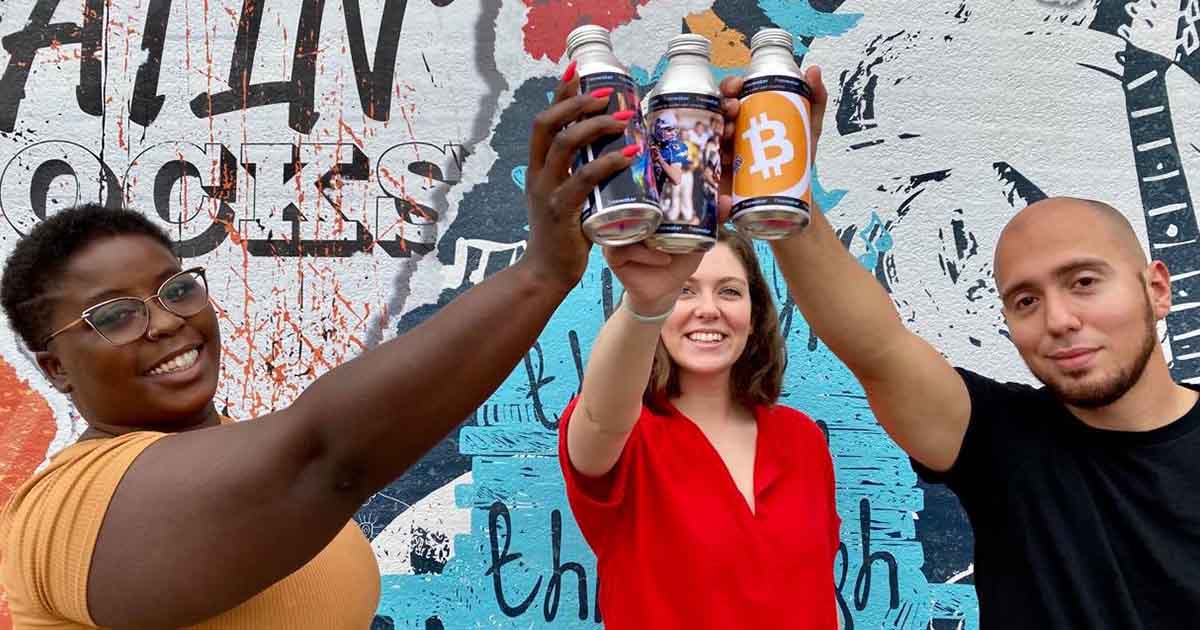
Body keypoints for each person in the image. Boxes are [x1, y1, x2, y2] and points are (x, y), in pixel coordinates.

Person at [0, 60, 643, 629]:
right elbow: (324, 458)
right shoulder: (61, 515)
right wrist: (543, 273)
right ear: (55, 367)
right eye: (114, 317)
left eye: (175, 289)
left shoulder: (240, 451)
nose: (166, 323)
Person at [719, 66, 1200, 628]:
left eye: (1084, 282)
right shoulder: (1003, 441)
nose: (1060, 320)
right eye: (1025, 301)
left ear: (1157, 289)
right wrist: (787, 192)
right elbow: (876, 346)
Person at [558, 226, 841, 628]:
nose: (708, 308)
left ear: (754, 313)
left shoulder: (803, 439)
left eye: (729, 291)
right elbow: (600, 418)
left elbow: (818, 596)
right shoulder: (629, 440)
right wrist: (644, 303)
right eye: (684, 290)